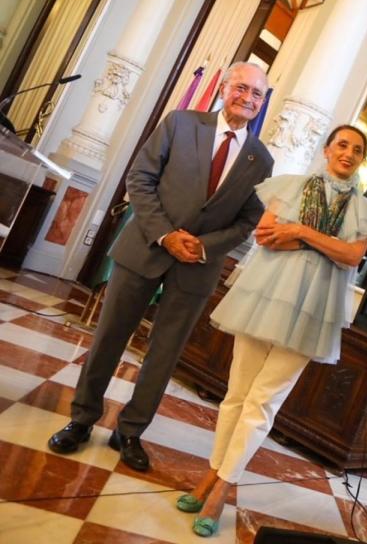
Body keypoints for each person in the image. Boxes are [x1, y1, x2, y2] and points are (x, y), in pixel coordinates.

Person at [47, 62, 274, 472]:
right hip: (145, 249)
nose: (248, 98)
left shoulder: (261, 159)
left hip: (197, 267)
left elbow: (247, 220)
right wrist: (166, 235)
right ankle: (81, 420)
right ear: (225, 88)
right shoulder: (181, 123)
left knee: (163, 355)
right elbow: (140, 178)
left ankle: (130, 431)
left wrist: (203, 246)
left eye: (257, 93)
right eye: (242, 88)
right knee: (108, 339)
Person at [175, 125, 367, 537]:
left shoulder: (366, 211)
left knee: (264, 403)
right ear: (327, 149)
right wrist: (321, 244)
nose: (348, 153)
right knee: (237, 393)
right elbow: (267, 238)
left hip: (312, 312)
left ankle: (222, 488)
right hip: (266, 297)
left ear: (361, 159)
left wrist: (301, 231)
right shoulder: (291, 186)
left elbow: (351, 256)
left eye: (357, 150)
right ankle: (212, 475)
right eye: (342, 144)